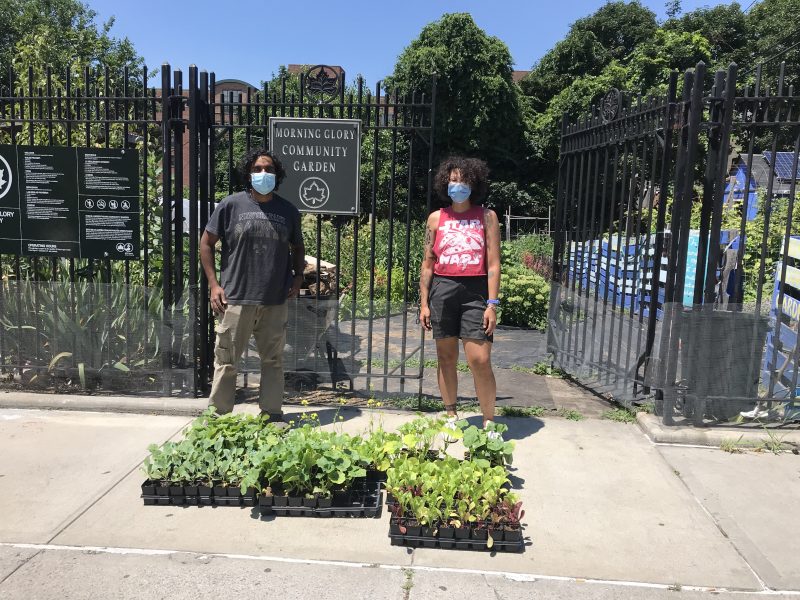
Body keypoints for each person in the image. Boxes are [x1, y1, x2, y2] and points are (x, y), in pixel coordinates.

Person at [200, 149, 305, 422]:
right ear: (249, 173)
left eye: (268, 169)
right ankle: (219, 419)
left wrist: (297, 277)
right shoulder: (231, 205)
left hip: (274, 299)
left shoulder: (287, 211)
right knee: (227, 361)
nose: (263, 174)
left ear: (276, 175)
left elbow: (298, 247)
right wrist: (214, 284)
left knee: (273, 362)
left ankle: (271, 415)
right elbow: (206, 243)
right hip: (236, 297)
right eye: (257, 169)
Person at [419, 156, 501, 432]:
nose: (458, 185)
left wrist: (492, 304)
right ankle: (451, 412)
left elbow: (493, 263)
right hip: (443, 290)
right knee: (446, 357)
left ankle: (489, 420)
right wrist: (424, 302)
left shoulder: (487, 217)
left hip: (476, 292)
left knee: (480, 359)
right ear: (445, 183)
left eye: (463, 180)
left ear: (473, 184)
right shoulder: (435, 219)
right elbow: (428, 262)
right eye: (453, 180)